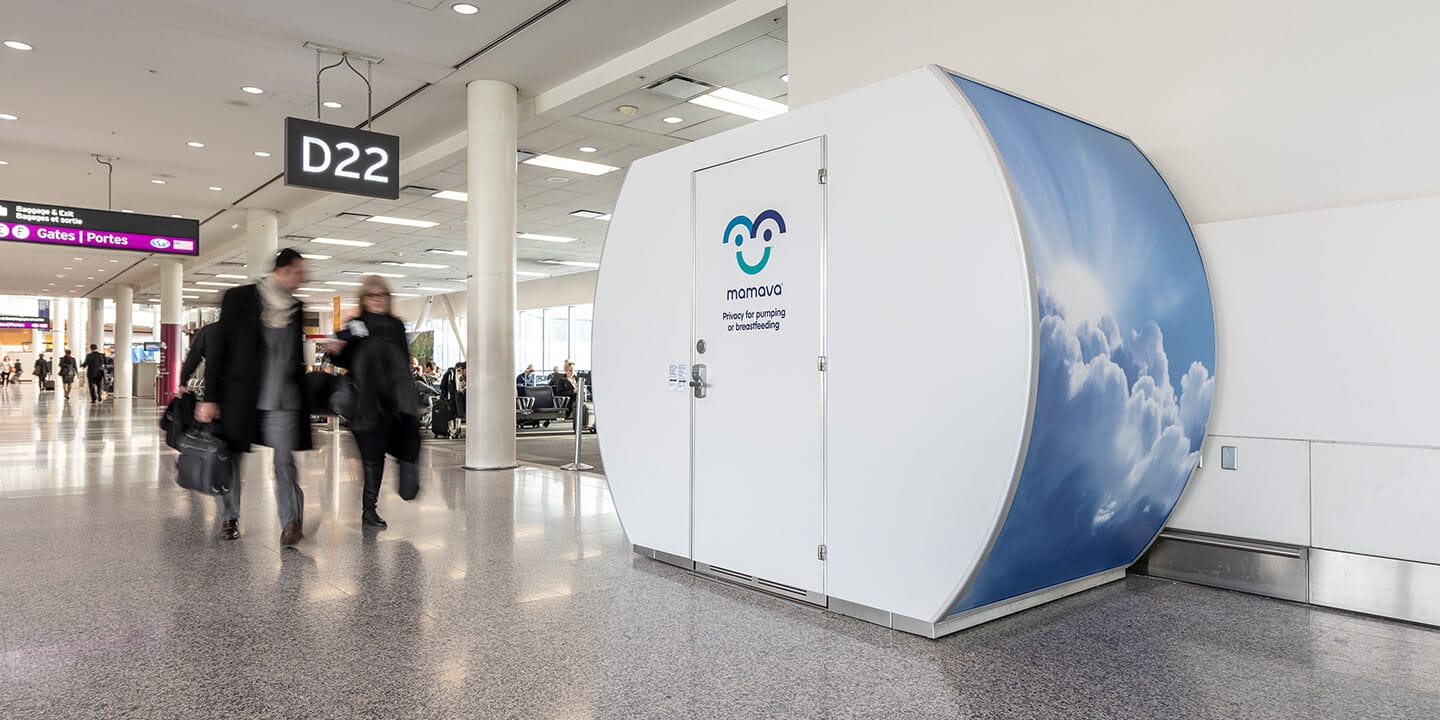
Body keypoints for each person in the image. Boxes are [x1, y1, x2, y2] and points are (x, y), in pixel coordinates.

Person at [196, 248, 314, 545]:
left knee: (284, 462)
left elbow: (294, 359)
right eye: (300, 272)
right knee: (232, 459)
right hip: (242, 397)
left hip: (283, 400)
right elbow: (218, 352)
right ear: (283, 271)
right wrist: (210, 398)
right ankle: (229, 517)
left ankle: (291, 523)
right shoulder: (239, 299)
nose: (304, 278)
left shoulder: (296, 308)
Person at [323, 276, 422, 529]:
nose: (378, 300)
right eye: (372, 295)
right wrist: (337, 349)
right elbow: (342, 360)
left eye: (383, 296)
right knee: (372, 457)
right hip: (365, 403)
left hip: (395, 400)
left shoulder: (397, 326)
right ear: (363, 299)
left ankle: (407, 472)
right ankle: (369, 511)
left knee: (407, 440)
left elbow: (403, 361)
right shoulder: (356, 325)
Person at [176, 324, 216, 399]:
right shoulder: (243, 331)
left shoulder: (209, 331)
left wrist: (183, 383)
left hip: (214, 390)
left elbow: (192, 358)